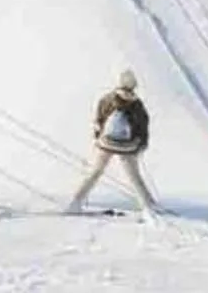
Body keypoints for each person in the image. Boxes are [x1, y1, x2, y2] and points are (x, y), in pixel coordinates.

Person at [66, 70, 159, 215]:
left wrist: (98, 136)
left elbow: (99, 119)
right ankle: (148, 206)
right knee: (134, 176)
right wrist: (141, 143)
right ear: (133, 86)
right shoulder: (137, 104)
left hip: (106, 143)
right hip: (128, 146)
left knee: (95, 172)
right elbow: (142, 124)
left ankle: (76, 202)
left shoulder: (107, 99)